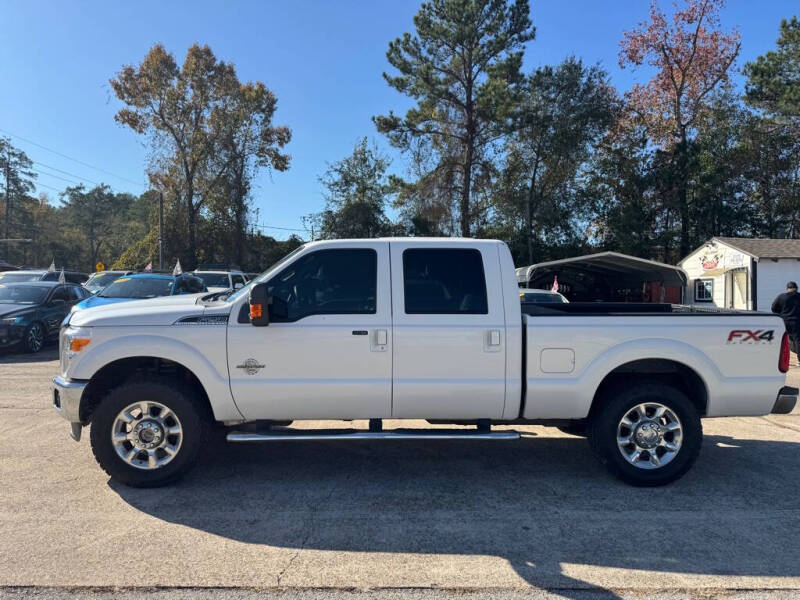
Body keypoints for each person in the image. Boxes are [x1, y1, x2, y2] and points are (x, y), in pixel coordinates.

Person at [771, 281, 800, 357]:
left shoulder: (781, 297)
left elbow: (773, 308)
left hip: (784, 322)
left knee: (782, 339)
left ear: (787, 289)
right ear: (796, 289)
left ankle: (779, 358)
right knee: (797, 340)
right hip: (797, 322)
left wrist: (781, 314)